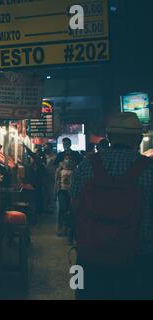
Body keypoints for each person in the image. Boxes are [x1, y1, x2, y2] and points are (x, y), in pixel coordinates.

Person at [71, 112, 153, 300]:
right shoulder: (149, 168)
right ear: (139, 139)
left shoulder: (86, 165)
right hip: (138, 258)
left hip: (89, 256)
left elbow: (75, 206)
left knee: (86, 294)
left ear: (108, 137)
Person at [55, 156, 73, 237]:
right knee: (62, 209)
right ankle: (60, 227)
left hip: (70, 192)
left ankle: (66, 228)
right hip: (62, 191)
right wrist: (55, 192)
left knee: (69, 210)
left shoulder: (73, 171)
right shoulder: (59, 170)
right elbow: (56, 181)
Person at [43, 143, 57, 214]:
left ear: (51, 148)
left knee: (51, 193)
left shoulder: (54, 157)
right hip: (44, 177)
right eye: (45, 147)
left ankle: (51, 208)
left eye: (47, 147)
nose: (46, 149)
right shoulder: (43, 156)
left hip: (51, 177)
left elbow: (55, 168)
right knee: (45, 193)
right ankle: (45, 207)